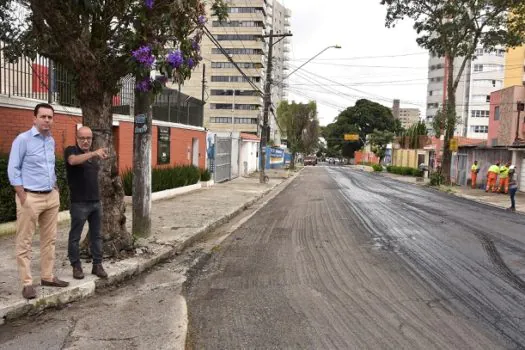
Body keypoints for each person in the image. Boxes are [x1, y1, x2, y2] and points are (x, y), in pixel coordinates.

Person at [7, 103, 69, 300]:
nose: (47, 120)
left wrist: (55, 186)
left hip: (50, 196)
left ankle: (47, 276)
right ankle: (27, 283)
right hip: (30, 197)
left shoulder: (50, 141)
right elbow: (13, 168)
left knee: (49, 240)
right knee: (24, 241)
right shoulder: (22, 140)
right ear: (34, 118)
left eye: (50, 117)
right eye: (43, 117)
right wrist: (22, 194)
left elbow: (49, 167)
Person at [65, 126, 109, 280]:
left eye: (88, 138)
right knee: (75, 237)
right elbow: (72, 161)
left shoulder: (92, 157)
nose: (85, 141)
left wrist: (96, 155)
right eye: (82, 138)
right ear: (77, 138)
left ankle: (97, 265)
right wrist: (94, 153)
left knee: (97, 236)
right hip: (79, 203)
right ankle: (76, 266)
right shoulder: (71, 150)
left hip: (95, 202)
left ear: (92, 139)